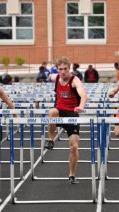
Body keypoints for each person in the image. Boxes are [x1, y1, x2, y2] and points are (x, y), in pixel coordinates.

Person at [44, 56, 87, 184]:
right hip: (59, 112)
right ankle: (51, 140)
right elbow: (49, 76)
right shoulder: (55, 77)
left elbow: (83, 94)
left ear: (70, 68)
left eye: (65, 69)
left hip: (72, 115)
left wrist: (81, 106)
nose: (63, 72)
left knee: (74, 147)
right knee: (52, 111)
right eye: (60, 69)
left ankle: (72, 175)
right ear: (57, 69)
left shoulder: (75, 80)